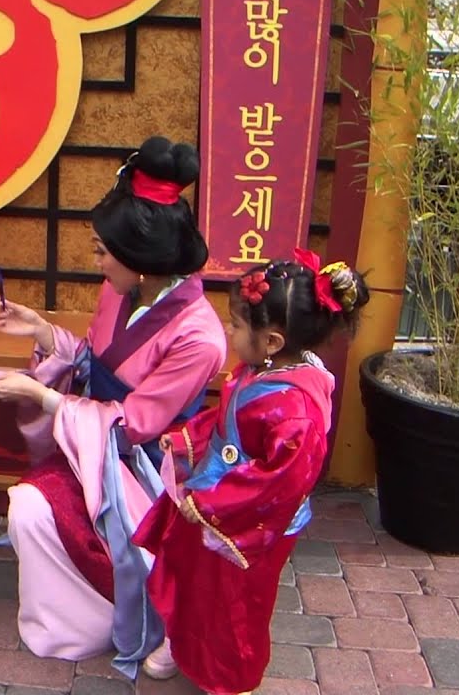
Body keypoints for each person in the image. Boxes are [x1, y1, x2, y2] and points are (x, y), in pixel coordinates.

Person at [0, 136, 226, 674]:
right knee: (28, 507)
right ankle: (72, 618)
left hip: (146, 467)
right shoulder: (120, 289)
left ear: (140, 260)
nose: (96, 262)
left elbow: (135, 424)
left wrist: (45, 397)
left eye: (101, 250)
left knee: (36, 508)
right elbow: (94, 363)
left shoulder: (200, 337)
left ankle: (115, 614)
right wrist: (43, 332)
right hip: (93, 444)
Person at [133, 249, 369, 695]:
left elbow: (281, 482)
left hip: (245, 518)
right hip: (214, 496)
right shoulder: (259, 369)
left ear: (273, 341)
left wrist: (210, 504)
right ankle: (180, 642)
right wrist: (187, 439)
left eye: (237, 325)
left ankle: (229, 680)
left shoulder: (298, 411)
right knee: (193, 579)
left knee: (234, 606)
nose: (229, 331)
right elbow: (228, 419)